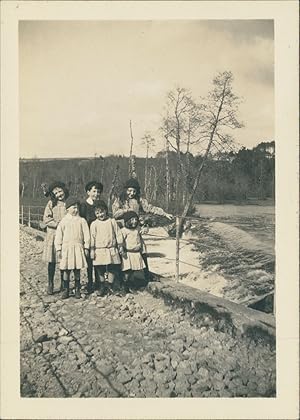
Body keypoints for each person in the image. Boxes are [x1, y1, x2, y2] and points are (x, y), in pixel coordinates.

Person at [112, 177, 173, 280]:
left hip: (135, 228)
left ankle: (147, 274)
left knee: (142, 249)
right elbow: (115, 214)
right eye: (129, 190)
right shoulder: (119, 200)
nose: (131, 193)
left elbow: (150, 208)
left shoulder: (139, 200)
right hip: (123, 229)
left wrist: (164, 213)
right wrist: (126, 210)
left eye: (134, 191)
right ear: (125, 189)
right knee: (122, 251)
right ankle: (121, 278)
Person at [55, 197, 90, 299]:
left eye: (77, 208)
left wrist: (86, 247)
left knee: (77, 269)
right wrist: (58, 248)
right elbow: (59, 236)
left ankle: (77, 289)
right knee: (66, 270)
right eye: (73, 208)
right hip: (66, 248)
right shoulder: (63, 221)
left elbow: (86, 235)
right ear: (67, 209)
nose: (76, 210)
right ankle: (66, 289)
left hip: (78, 247)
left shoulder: (82, 221)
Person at [90, 200, 124, 296]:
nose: (100, 214)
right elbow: (92, 237)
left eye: (102, 212)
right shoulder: (94, 224)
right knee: (100, 268)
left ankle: (110, 285)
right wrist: (92, 250)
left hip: (111, 249)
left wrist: (120, 245)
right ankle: (102, 286)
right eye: (97, 213)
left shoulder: (112, 221)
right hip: (99, 250)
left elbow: (118, 234)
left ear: (106, 211)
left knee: (112, 268)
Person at [42, 181, 68, 295]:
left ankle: (64, 282)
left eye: (60, 191)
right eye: (56, 193)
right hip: (53, 234)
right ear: (53, 194)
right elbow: (46, 219)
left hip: (66, 235)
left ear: (64, 191)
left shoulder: (68, 203)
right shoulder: (51, 204)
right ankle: (50, 283)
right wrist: (57, 224)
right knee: (52, 261)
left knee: (64, 260)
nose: (59, 194)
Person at [79, 180, 103, 293]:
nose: (96, 194)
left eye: (98, 192)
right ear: (88, 192)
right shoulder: (83, 205)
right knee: (89, 261)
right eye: (94, 191)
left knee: (98, 260)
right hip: (88, 236)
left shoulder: (101, 204)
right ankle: (89, 282)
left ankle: (99, 282)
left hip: (100, 236)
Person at [121, 211, 146, 293]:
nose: (134, 221)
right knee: (127, 271)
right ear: (127, 221)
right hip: (128, 253)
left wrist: (145, 227)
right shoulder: (124, 231)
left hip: (136, 253)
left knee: (135, 271)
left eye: (135, 219)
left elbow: (144, 230)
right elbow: (120, 242)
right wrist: (121, 250)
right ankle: (125, 287)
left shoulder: (137, 229)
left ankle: (133, 286)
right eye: (132, 220)